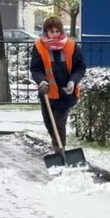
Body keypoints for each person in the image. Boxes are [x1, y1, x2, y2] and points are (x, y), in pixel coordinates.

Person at [30, 16, 86, 153]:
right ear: (46, 32)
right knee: (49, 123)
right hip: (47, 92)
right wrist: (42, 81)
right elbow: (35, 68)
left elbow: (80, 67)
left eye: (57, 31)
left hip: (65, 92)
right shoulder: (39, 46)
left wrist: (73, 80)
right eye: (51, 31)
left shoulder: (71, 45)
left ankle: (59, 151)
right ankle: (57, 145)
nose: (54, 34)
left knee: (59, 124)